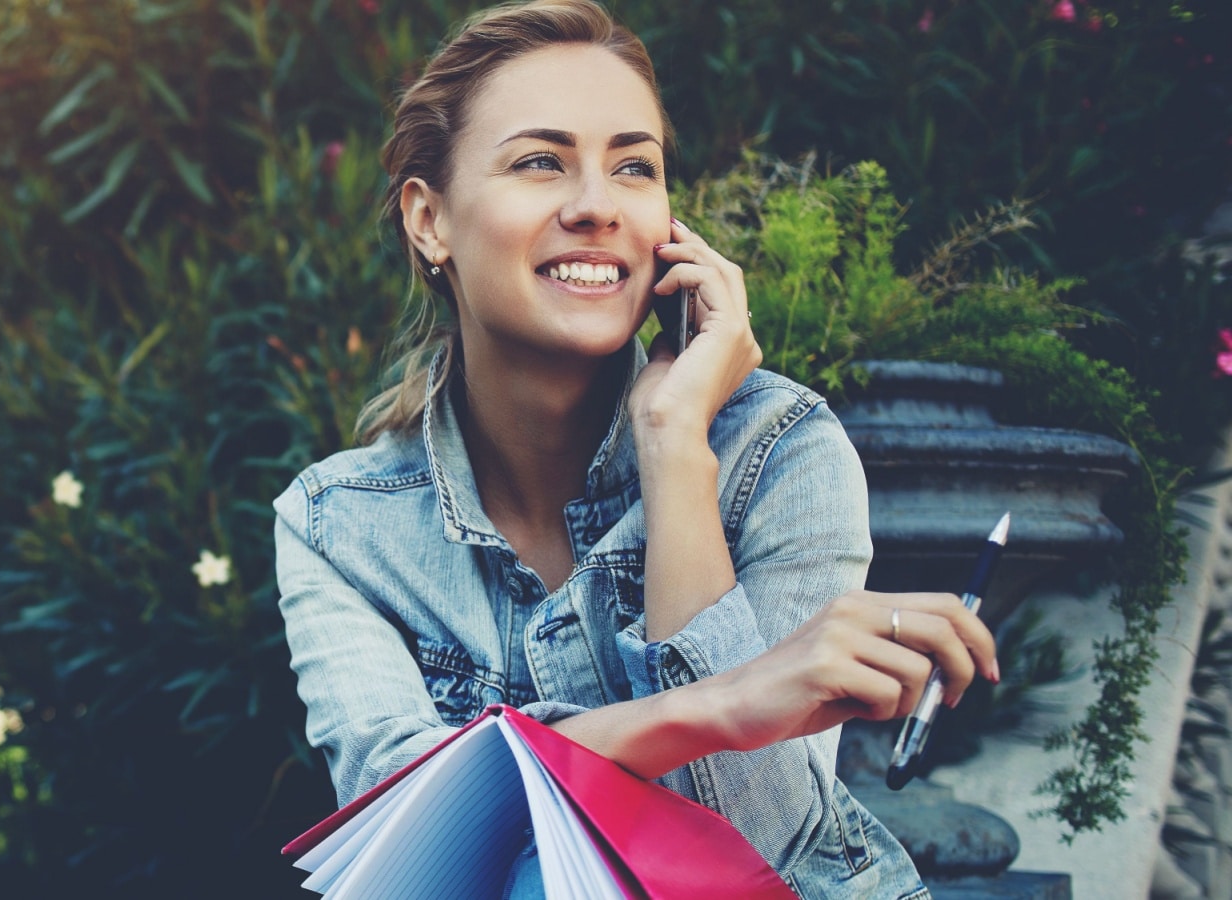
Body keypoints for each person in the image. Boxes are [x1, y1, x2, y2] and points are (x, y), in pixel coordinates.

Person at [273, 1, 996, 896]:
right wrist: (722, 706)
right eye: (541, 162)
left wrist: (674, 444)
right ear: (431, 221)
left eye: (634, 167)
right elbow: (407, 850)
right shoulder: (340, 527)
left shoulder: (779, 452)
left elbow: (757, 854)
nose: (595, 207)